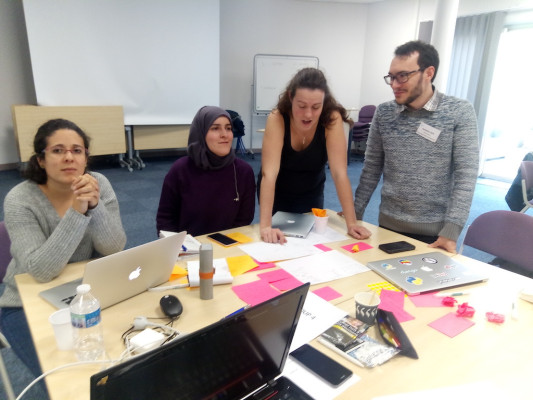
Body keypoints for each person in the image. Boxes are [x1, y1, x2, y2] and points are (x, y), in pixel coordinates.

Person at [0, 118, 127, 383]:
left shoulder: (99, 184)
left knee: (125, 358)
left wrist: (95, 206)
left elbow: (114, 247)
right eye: (58, 150)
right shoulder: (20, 199)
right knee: (67, 381)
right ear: (41, 160)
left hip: (86, 289)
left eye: (77, 150)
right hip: (25, 302)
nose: (69, 157)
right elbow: (41, 270)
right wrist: (78, 212)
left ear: (85, 158)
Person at [354, 40, 479, 253]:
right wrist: (355, 212)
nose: (394, 84)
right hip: (388, 225)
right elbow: (372, 167)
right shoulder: (384, 113)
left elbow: (466, 175)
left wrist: (451, 230)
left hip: (435, 233)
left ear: (429, 72)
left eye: (402, 76)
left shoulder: (459, 112)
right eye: (391, 77)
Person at [258, 67, 371, 243]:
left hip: (311, 190)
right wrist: (265, 226)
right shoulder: (277, 118)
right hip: (278, 191)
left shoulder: (331, 119)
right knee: (277, 241)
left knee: (310, 240)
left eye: (316, 107)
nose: (308, 114)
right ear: (290, 97)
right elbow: (269, 175)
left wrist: (352, 223)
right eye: (301, 106)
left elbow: (339, 173)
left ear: (324, 102)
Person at [156, 106, 256, 236]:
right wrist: (179, 248)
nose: (224, 135)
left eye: (228, 128)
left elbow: (244, 221)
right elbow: (165, 221)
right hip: (187, 249)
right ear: (201, 133)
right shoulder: (180, 170)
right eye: (215, 128)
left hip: (228, 246)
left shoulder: (243, 172)